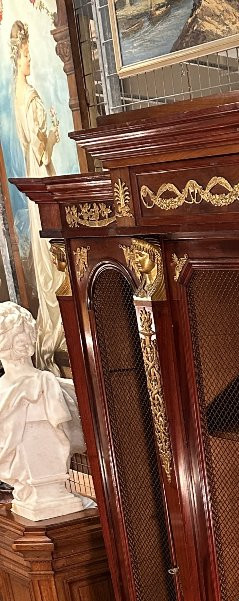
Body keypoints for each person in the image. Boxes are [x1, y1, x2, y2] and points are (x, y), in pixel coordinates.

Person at [10, 19, 66, 372]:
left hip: (33, 185)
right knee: (53, 259)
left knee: (48, 260)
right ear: (20, 55)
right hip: (41, 181)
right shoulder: (29, 97)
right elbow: (42, 154)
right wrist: (54, 134)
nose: (31, 60)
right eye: (28, 54)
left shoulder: (17, 95)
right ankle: (61, 329)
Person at [0, 302, 85, 520]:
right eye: (16, 333)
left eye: (24, 331)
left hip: (51, 489)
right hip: (30, 499)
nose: (23, 338)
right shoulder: (4, 391)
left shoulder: (47, 386)